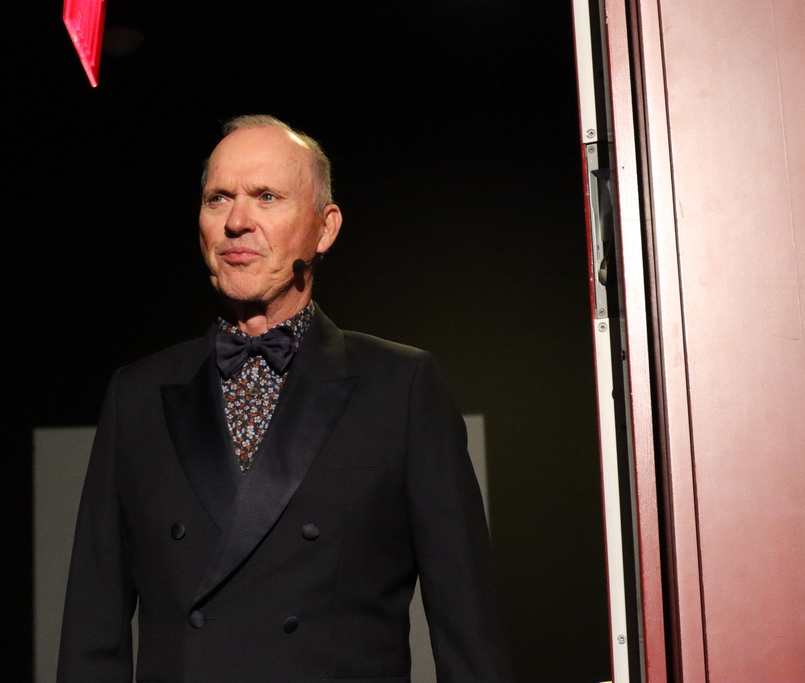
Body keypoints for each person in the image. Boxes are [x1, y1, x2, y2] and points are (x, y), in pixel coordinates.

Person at [58, 115, 511, 682]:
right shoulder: (138, 395)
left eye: (266, 196)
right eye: (218, 199)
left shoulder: (402, 387)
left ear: (325, 228)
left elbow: (467, 631)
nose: (237, 222)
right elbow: (91, 634)